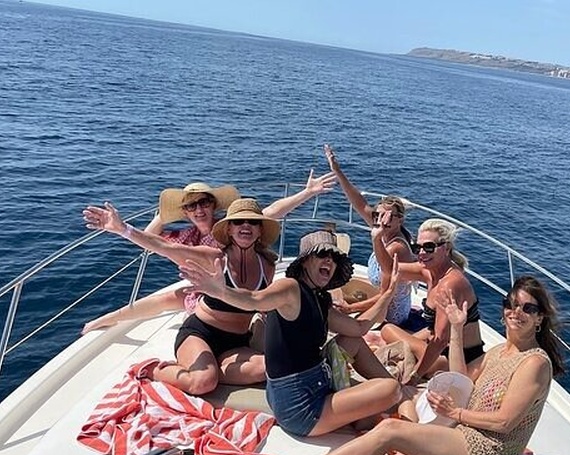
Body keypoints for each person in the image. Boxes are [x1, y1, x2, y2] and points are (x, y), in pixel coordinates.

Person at [261, 275, 563, 455]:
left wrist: (456, 413)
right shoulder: (500, 351)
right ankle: (401, 451)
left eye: (527, 308)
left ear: (540, 318)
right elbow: (461, 380)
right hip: (465, 437)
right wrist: (456, 330)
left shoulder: (534, 363)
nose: (516, 311)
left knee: (391, 430)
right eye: (511, 304)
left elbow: (505, 422)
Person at [180, 230, 403, 437]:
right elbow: (254, 300)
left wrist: (388, 293)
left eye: (334, 258)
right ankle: (387, 402)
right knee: (390, 389)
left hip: (318, 379)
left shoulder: (319, 300)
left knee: (353, 340)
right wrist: (221, 291)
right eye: (322, 254)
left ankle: (389, 400)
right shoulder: (289, 289)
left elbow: (359, 328)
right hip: (300, 406)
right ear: (305, 261)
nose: (329, 261)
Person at [82, 170, 337, 334]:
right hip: (207, 292)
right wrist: (160, 216)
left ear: (213, 205)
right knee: (166, 299)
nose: (198, 210)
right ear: (185, 213)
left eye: (203, 202)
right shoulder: (186, 237)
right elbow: (154, 243)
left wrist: (307, 192)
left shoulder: (232, 225)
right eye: (191, 207)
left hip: (240, 289)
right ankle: (106, 319)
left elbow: (271, 212)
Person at [83, 198, 281, 395]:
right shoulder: (213, 258)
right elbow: (165, 247)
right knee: (202, 384)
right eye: (238, 221)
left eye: (253, 221)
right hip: (200, 333)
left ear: (260, 230)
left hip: (237, 342)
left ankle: (210, 369)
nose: (246, 225)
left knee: (269, 367)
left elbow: (262, 305)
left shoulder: (267, 266)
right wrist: (123, 229)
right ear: (229, 229)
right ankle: (152, 369)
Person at [378, 218, 484, 386]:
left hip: (458, 357)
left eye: (429, 247)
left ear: (446, 248)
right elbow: (389, 268)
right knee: (387, 331)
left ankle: (427, 367)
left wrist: (415, 376)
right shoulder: (428, 271)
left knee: (390, 340)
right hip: (437, 344)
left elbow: (440, 341)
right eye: (417, 248)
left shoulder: (450, 284)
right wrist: (377, 238)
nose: (421, 253)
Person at [323, 144, 416, 328]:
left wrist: (349, 309)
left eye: (389, 216)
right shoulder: (381, 227)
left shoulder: (397, 248)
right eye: (378, 215)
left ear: (401, 220)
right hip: (379, 299)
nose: (383, 220)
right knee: (332, 290)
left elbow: (385, 295)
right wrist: (337, 170)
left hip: (389, 315)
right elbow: (357, 201)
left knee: (336, 321)